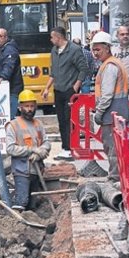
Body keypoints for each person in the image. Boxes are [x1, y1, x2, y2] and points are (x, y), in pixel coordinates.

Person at [42, 26, 89, 160]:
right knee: (61, 120)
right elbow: (53, 72)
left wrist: (76, 86)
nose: (51, 40)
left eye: (52, 37)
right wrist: (46, 88)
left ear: (58, 37)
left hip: (70, 90)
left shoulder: (74, 50)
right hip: (58, 90)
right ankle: (65, 147)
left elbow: (83, 69)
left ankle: (71, 148)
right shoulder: (54, 51)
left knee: (70, 119)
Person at [90, 31, 129, 181]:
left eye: (98, 49)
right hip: (117, 113)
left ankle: (115, 178)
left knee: (112, 147)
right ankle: (119, 176)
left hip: (112, 114)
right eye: (94, 49)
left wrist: (99, 112)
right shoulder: (112, 64)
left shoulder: (110, 66)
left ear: (107, 48)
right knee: (115, 147)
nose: (95, 53)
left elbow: (107, 94)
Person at [6, 89, 51, 211]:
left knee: (32, 204)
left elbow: (46, 142)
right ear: (20, 107)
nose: (29, 109)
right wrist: (32, 150)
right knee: (22, 200)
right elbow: (10, 149)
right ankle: (18, 224)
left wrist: (40, 152)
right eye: (26, 106)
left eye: (32, 106)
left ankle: (33, 223)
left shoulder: (38, 124)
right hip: (22, 170)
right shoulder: (13, 125)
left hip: (36, 170)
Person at [0, 28, 24, 117]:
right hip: (3, 89)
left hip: (12, 89)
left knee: (11, 117)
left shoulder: (10, 50)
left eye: (0, 36)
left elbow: (9, 66)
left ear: (6, 37)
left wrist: (2, 77)